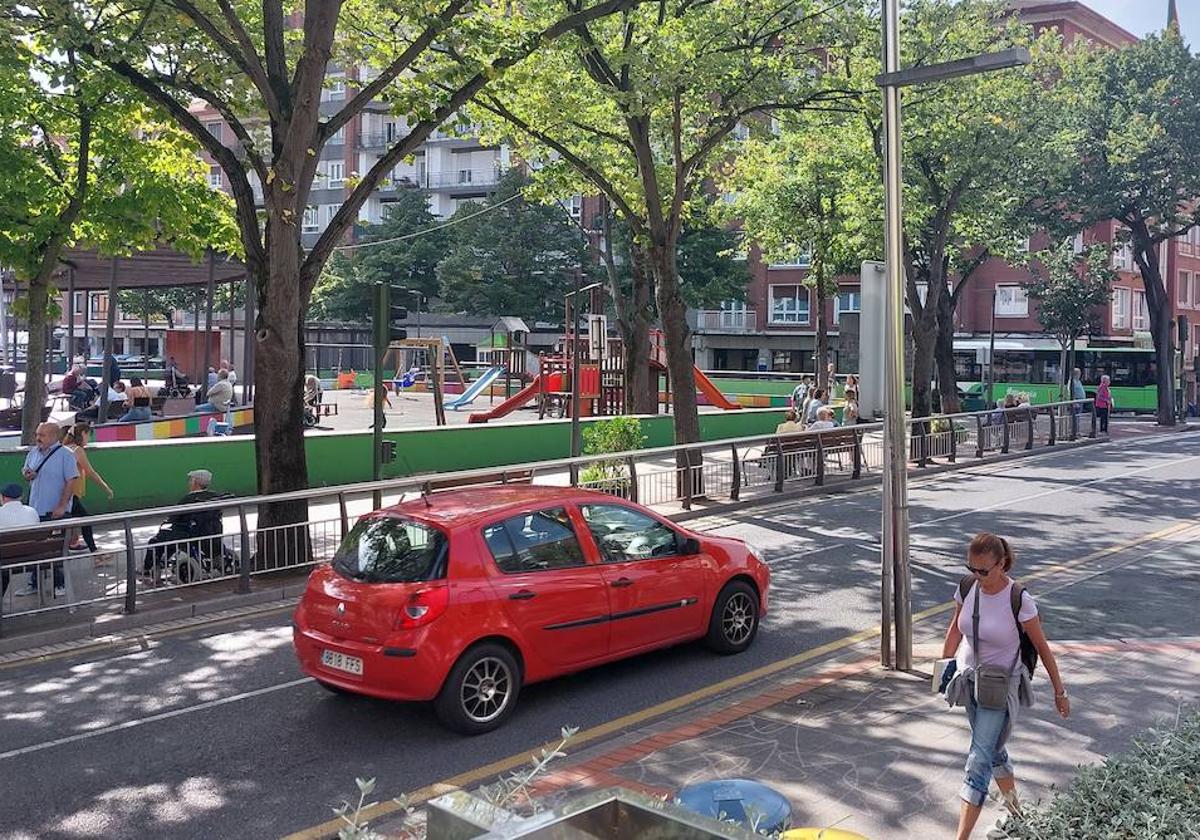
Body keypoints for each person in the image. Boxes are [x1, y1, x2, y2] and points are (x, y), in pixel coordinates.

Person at [941, 533, 1069, 840]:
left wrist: (1059, 691)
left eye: (984, 570)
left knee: (978, 760)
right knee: (994, 751)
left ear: (1002, 564)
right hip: (969, 681)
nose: (977, 575)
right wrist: (942, 669)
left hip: (1000, 688)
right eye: (972, 568)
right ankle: (1019, 817)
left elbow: (1042, 647)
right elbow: (955, 629)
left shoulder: (1019, 599)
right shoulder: (967, 587)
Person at [14, 422, 78, 596]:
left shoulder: (66, 455)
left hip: (55, 511)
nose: (37, 438)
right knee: (36, 547)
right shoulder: (34, 452)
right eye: (37, 434)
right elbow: (27, 470)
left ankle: (59, 583)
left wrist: (62, 506)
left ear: (53, 436)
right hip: (36, 509)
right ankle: (34, 583)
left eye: (41, 435)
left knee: (54, 548)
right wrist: (27, 474)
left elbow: (71, 481)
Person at [142, 469, 224, 578]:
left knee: (157, 540)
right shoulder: (214, 496)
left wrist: (167, 521)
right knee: (172, 535)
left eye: (191, 480)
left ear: (195, 482)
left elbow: (174, 518)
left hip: (190, 534)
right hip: (211, 531)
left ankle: (149, 567)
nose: (189, 483)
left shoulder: (188, 499)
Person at [62, 423, 113, 554]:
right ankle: (94, 552)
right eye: (88, 435)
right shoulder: (77, 450)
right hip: (71, 493)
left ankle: (72, 544)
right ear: (83, 434)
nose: (88, 439)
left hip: (64, 493)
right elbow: (90, 472)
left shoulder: (64, 448)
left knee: (71, 520)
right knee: (86, 520)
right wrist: (106, 487)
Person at [0, 483, 41, 597]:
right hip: (32, 559)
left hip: (5, 560)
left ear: (2, 497)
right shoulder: (32, 511)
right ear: (21, 497)